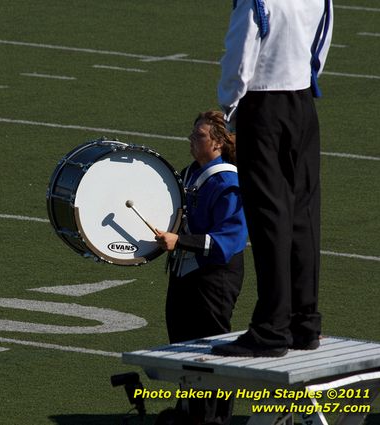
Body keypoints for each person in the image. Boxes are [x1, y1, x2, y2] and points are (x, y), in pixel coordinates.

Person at [212, 0, 333, 358]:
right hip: (303, 102)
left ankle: (271, 328)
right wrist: (303, 79)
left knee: (269, 219)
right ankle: (304, 322)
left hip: (263, 107)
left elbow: (239, 55)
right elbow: (321, 43)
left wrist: (231, 106)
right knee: (303, 216)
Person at [154, 110, 248, 425]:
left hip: (214, 278)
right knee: (182, 347)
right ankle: (190, 414)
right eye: (192, 133)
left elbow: (230, 240)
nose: (191, 140)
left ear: (219, 143)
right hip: (184, 273)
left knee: (211, 350)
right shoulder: (192, 172)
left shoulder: (229, 183)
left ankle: (215, 419)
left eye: (200, 136)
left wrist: (180, 241)